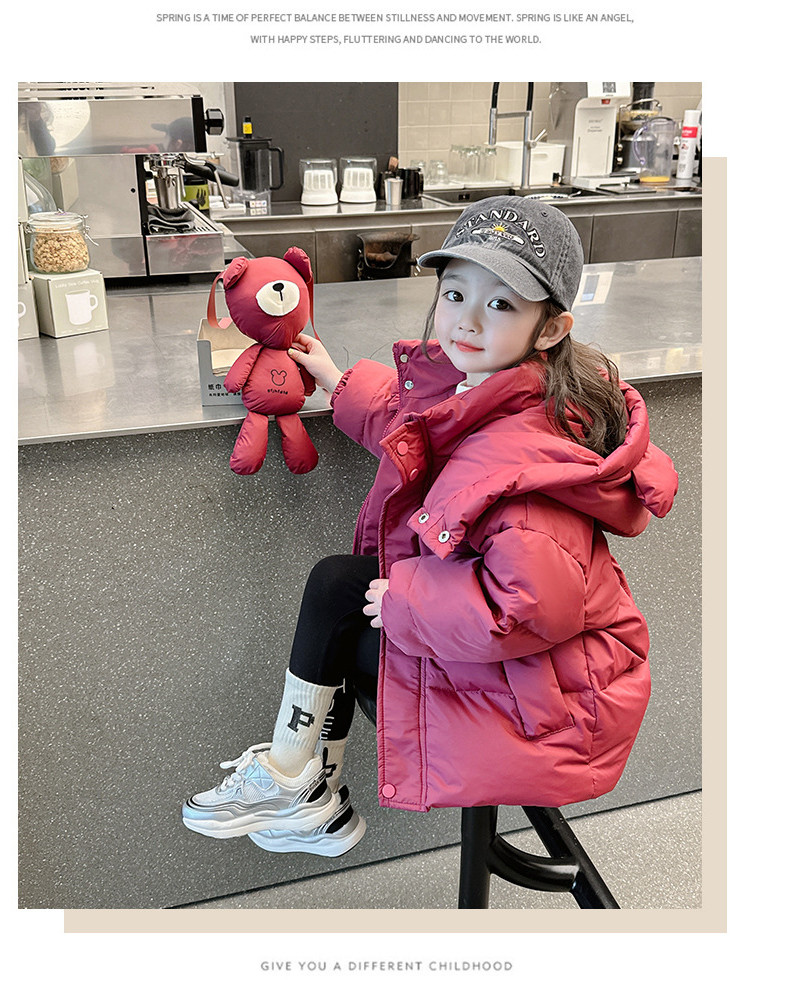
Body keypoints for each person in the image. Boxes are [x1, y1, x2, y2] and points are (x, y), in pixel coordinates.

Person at [182, 196, 678, 858]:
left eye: (500, 304)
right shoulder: (494, 385)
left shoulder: (525, 460)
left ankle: (299, 782)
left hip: (545, 699)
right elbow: (414, 431)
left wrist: (408, 601)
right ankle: (303, 786)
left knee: (343, 610)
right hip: (528, 669)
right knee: (338, 587)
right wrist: (336, 380)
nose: (467, 319)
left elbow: (528, 609)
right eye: (454, 293)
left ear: (551, 328)